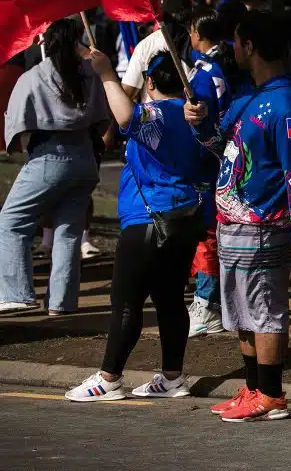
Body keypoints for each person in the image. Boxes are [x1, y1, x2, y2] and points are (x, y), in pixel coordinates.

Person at [184, 10, 291, 422]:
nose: (232, 49)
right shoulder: (248, 96)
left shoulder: (285, 103)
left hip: (264, 227)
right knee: (239, 312)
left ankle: (272, 394)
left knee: (263, 310)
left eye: (238, 41)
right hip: (231, 226)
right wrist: (200, 124)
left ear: (252, 47)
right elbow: (218, 147)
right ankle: (253, 388)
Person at [65, 52, 209, 401]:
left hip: (147, 221)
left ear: (150, 83)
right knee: (171, 300)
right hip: (183, 218)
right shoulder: (196, 117)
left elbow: (126, 116)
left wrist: (104, 72)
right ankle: (172, 376)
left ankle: (109, 378)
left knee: (126, 303)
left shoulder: (158, 113)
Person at [0, 20, 108, 315]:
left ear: (45, 43)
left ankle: (17, 292)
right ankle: (62, 302)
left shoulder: (35, 75)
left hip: (50, 155)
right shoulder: (90, 74)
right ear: (77, 43)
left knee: (11, 222)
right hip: (84, 157)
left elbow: (16, 126)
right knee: (68, 232)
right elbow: (103, 119)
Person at [186, 10, 238, 338]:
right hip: (231, 159)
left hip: (210, 164)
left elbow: (203, 123)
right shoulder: (231, 62)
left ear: (197, 32)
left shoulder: (206, 72)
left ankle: (207, 306)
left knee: (207, 235)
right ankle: (214, 302)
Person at [122, 0, 194, 102]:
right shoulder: (201, 40)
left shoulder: (146, 46)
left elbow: (127, 93)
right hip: (194, 114)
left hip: (158, 117)